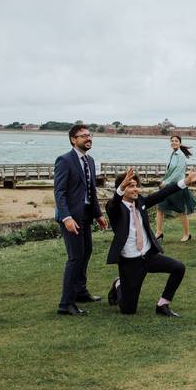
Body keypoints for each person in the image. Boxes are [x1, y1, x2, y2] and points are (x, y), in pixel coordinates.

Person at [105, 165, 196, 317]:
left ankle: (163, 304)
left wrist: (185, 181)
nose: (135, 189)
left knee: (178, 268)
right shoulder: (115, 208)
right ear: (122, 189)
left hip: (148, 256)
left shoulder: (141, 202)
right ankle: (119, 283)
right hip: (130, 263)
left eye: (136, 186)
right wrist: (120, 187)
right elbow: (113, 204)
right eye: (130, 186)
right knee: (128, 310)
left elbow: (163, 193)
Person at [53, 124, 108, 316]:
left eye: (89, 135)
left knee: (86, 252)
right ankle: (65, 304)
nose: (88, 138)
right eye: (83, 136)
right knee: (75, 257)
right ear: (73, 140)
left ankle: (80, 292)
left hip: (85, 214)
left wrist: (98, 214)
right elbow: (59, 192)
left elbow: (91, 191)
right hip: (71, 217)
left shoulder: (90, 161)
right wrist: (66, 217)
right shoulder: (64, 160)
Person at [155, 135, 196, 242]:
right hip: (168, 186)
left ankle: (187, 234)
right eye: (172, 141)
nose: (173, 142)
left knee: (181, 211)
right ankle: (159, 233)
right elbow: (170, 172)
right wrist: (164, 181)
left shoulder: (181, 155)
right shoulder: (173, 154)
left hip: (178, 186)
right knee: (160, 208)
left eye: (176, 141)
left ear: (179, 143)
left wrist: (166, 182)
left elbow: (178, 172)